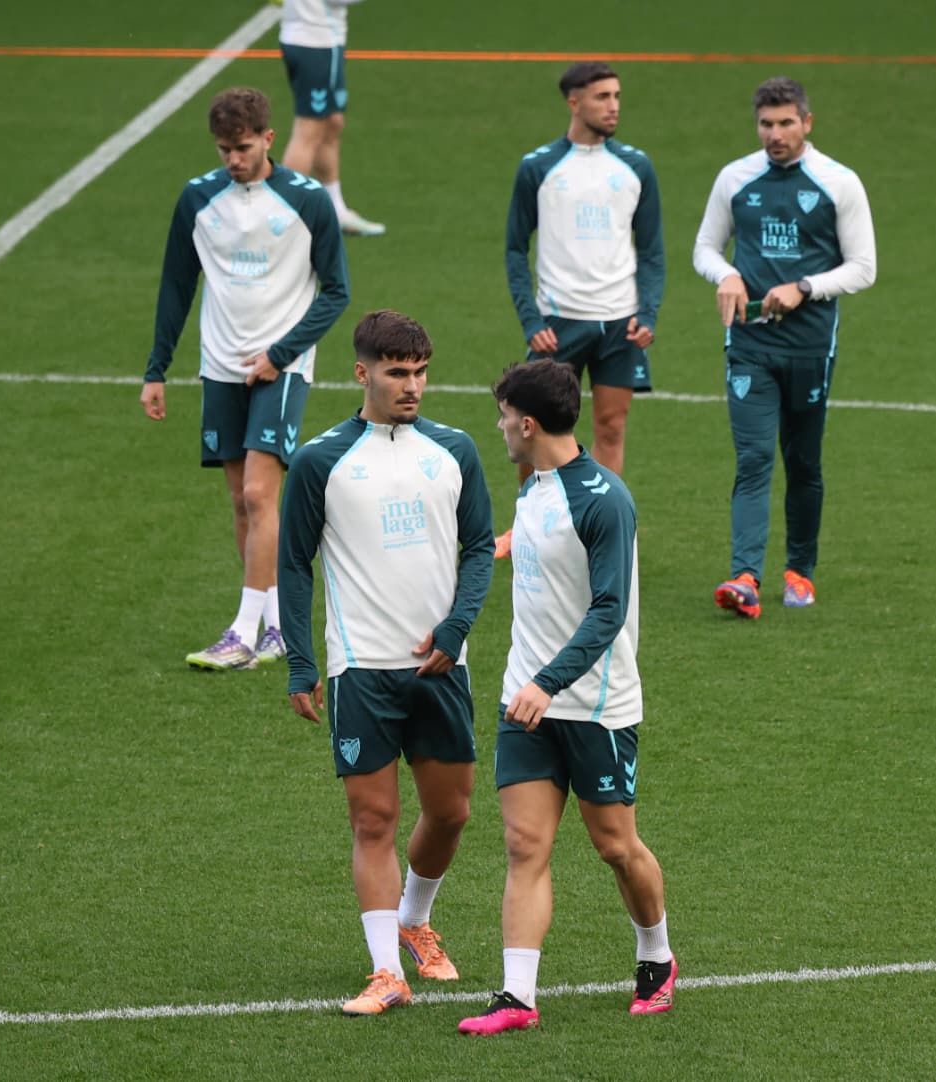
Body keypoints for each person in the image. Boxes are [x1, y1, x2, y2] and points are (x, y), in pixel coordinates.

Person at [278, 309, 494, 1017]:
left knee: (451, 813)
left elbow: (478, 548)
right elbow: (294, 565)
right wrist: (301, 662)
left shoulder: (455, 450)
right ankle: (386, 972)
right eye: (398, 372)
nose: (412, 386)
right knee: (373, 820)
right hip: (362, 669)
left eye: (421, 372)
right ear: (361, 373)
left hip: (442, 667)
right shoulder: (321, 461)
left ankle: (413, 919)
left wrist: (456, 628)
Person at [458, 359, 674, 1036]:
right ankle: (517, 997)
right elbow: (551, 549)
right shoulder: (536, 487)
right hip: (525, 702)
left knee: (616, 846)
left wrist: (548, 683)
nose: (498, 428)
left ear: (528, 424)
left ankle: (656, 956)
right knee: (525, 844)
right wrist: (508, 543)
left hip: (594, 708)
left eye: (503, 417)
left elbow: (608, 610)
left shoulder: (605, 500)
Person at [141, 86, 350, 671]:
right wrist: (157, 369)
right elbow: (176, 286)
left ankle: (241, 633)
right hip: (220, 366)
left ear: (267, 138)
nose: (233, 159)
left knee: (260, 494)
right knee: (241, 502)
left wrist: (280, 354)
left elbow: (337, 292)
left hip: (282, 368)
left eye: (242, 148)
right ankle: (278, 627)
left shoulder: (307, 200)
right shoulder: (198, 200)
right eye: (223, 150)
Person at [692, 76, 876, 619]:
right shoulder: (735, 178)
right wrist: (726, 274)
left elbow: (863, 268)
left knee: (802, 461)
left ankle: (800, 570)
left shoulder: (839, 182)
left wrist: (804, 287)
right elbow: (705, 247)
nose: (775, 134)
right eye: (766, 124)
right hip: (749, 344)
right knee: (753, 459)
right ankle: (745, 576)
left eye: (786, 123)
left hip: (810, 347)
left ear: (807, 123)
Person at [498, 61, 664, 558]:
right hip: (557, 323)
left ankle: (601, 530)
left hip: (620, 323)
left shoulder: (636, 167)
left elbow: (652, 251)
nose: (613, 106)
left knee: (611, 427)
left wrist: (648, 313)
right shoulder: (538, 167)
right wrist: (531, 320)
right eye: (602, 97)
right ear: (574, 102)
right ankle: (528, 526)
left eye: (617, 96)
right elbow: (514, 249)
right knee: (532, 428)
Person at [277, 0, 386, 236]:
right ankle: (281, 217)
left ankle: (335, 208)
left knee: (332, 123)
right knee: (309, 129)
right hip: (314, 43)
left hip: (319, 40)